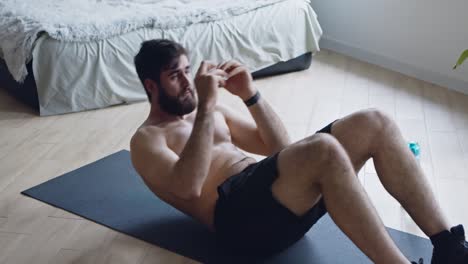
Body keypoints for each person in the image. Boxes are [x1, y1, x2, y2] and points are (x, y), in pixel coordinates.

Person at [129, 39, 468, 264]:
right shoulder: (147, 140)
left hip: (274, 196)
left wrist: (250, 95)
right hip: (240, 223)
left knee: (375, 121)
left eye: (187, 71)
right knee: (323, 148)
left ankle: (449, 247)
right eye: (176, 76)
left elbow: (279, 148)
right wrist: (208, 105)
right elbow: (187, 186)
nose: (187, 82)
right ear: (151, 86)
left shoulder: (208, 112)